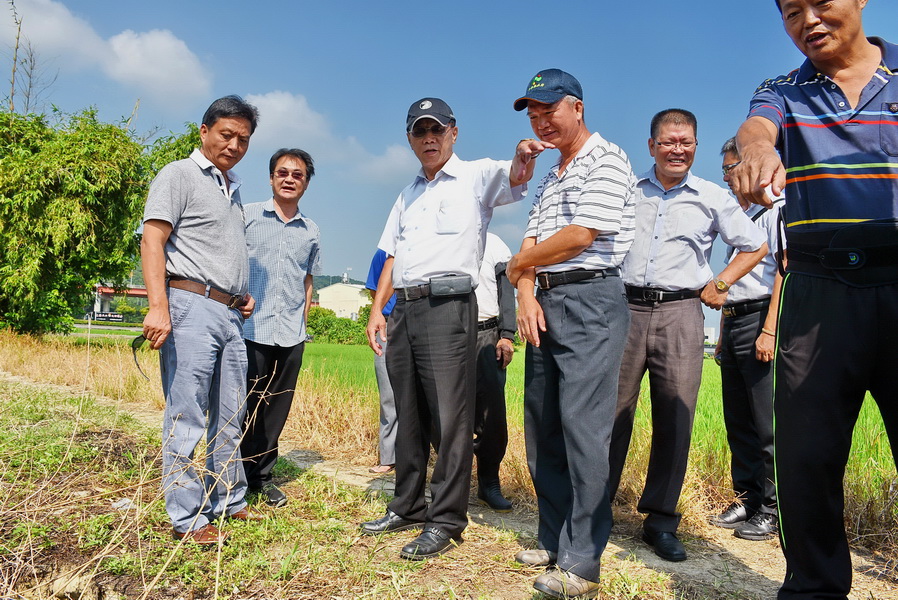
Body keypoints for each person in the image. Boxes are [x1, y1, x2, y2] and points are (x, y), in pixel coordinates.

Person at [730, 1, 898, 597]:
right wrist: (757, 151)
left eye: (822, 2)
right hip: (817, 291)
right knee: (806, 459)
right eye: (792, 11)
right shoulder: (782, 90)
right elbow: (757, 128)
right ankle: (813, 588)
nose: (809, 20)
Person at [361, 97, 542, 561]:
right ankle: (407, 505)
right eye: (420, 131)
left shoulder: (476, 176)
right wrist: (378, 310)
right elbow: (392, 255)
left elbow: (514, 176)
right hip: (405, 309)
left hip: (448, 307)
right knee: (409, 412)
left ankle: (445, 519)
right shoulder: (407, 194)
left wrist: (523, 158)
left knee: (450, 416)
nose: (429, 138)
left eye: (436, 129)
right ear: (409, 139)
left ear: (453, 133)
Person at [608, 108, 768, 563]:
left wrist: (721, 282)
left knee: (675, 419)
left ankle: (659, 521)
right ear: (652, 145)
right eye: (668, 141)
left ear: (695, 146)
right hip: (624, 309)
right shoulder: (628, 191)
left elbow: (755, 245)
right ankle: (594, 513)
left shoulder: (712, 196)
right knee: (611, 414)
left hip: (681, 314)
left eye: (686, 142)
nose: (677, 150)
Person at [507, 68, 636, 599]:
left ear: (577, 107)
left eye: (549, 110)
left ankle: (581, 561)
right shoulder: (551, 175)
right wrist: (524, 290)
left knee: (584, 429)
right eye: (534, 114)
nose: (541, 121)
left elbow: (580, 236)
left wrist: (519, 266)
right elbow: (532, 239)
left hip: (591, 300)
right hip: (545, 301)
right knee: (543, 425)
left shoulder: (607, 159)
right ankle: (552, 538)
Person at [141, 95, 263, 545]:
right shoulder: (179, 174)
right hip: (190, 305)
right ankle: (187, 516)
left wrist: (241, 296)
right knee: (187, 411)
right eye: (226, 135)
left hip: (229, 314)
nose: (234, 145)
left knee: (231, 413)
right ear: (204, 131)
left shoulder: (232, 190)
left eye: (243, 139)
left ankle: (228, 498)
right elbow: (152, 240)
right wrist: (158, 306)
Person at [710, 137, 782, 541]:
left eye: (730, 168)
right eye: (723, 170)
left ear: (752, 165)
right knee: (738, 420)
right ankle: (747, 498)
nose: (727, 177)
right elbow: (732, 287)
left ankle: (773, 508)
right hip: (735, 322)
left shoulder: (775, 210)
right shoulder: (740, 218)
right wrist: (722, 334)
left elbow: (783, 273)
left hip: (760, 320)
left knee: (765, 423)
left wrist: (770, 330)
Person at [241, 148, 322, 508]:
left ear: (306, 182)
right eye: (283, 173)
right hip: (249, 329)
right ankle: (230, 476)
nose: (289, 179)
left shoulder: (311, 231)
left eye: (297, 174)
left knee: (275, 410)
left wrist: (303, 323)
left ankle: (262, 478)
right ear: (271, 177)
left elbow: (308, 281)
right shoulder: (247, 217)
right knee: (241, 406)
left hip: (290, 334)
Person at [473, 231, 516, 512]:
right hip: (448, 335)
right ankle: (451, 482)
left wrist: (507, 334)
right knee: (443, 412)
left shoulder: (495, 243)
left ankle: (489, 483)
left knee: (492, 417)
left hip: (486, 335)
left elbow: (507, 289)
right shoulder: (443, 237)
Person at [365, 248, 397, 474]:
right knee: (388, 394)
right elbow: (373, 289)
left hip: (419, 321)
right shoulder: (383, 253)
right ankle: (388, 457)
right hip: (387, 324)